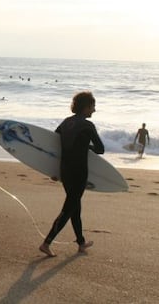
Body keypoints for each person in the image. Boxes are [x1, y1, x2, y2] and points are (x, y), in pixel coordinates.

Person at [39, 91, 104, 257]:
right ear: (86, 107)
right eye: (93, 107)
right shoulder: (88, 126)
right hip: (79, 172)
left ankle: (81, 243)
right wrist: (87, 148)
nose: (94, 110)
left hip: (65, 171)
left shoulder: (66, 123)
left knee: (75, 206)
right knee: (69, 209)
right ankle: (46, 243)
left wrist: (52, 170)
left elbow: (54, 145)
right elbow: (100, 149)